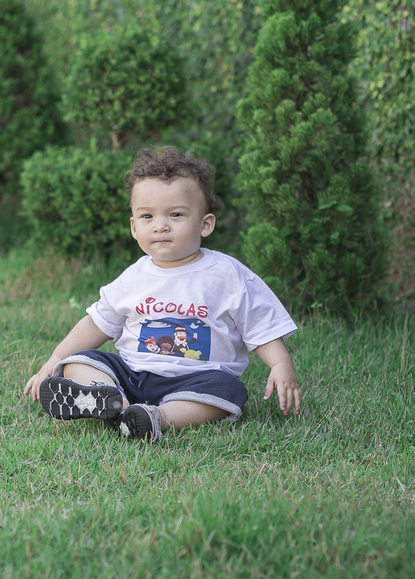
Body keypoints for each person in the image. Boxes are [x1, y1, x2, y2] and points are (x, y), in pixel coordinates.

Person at [23, 146, 302, 442]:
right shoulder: (133, 277)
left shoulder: (228, 275)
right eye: (147, 216)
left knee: (228, 390)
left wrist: (281, 365)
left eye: (176, 214)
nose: (160, 226)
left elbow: (261, 325)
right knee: (80, 360)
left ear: (205, 224)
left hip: (195, 380)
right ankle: (114, 402)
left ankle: (158, 418)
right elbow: (96, 324)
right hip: (132, 374)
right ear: (133, 226)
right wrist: (53, 360)